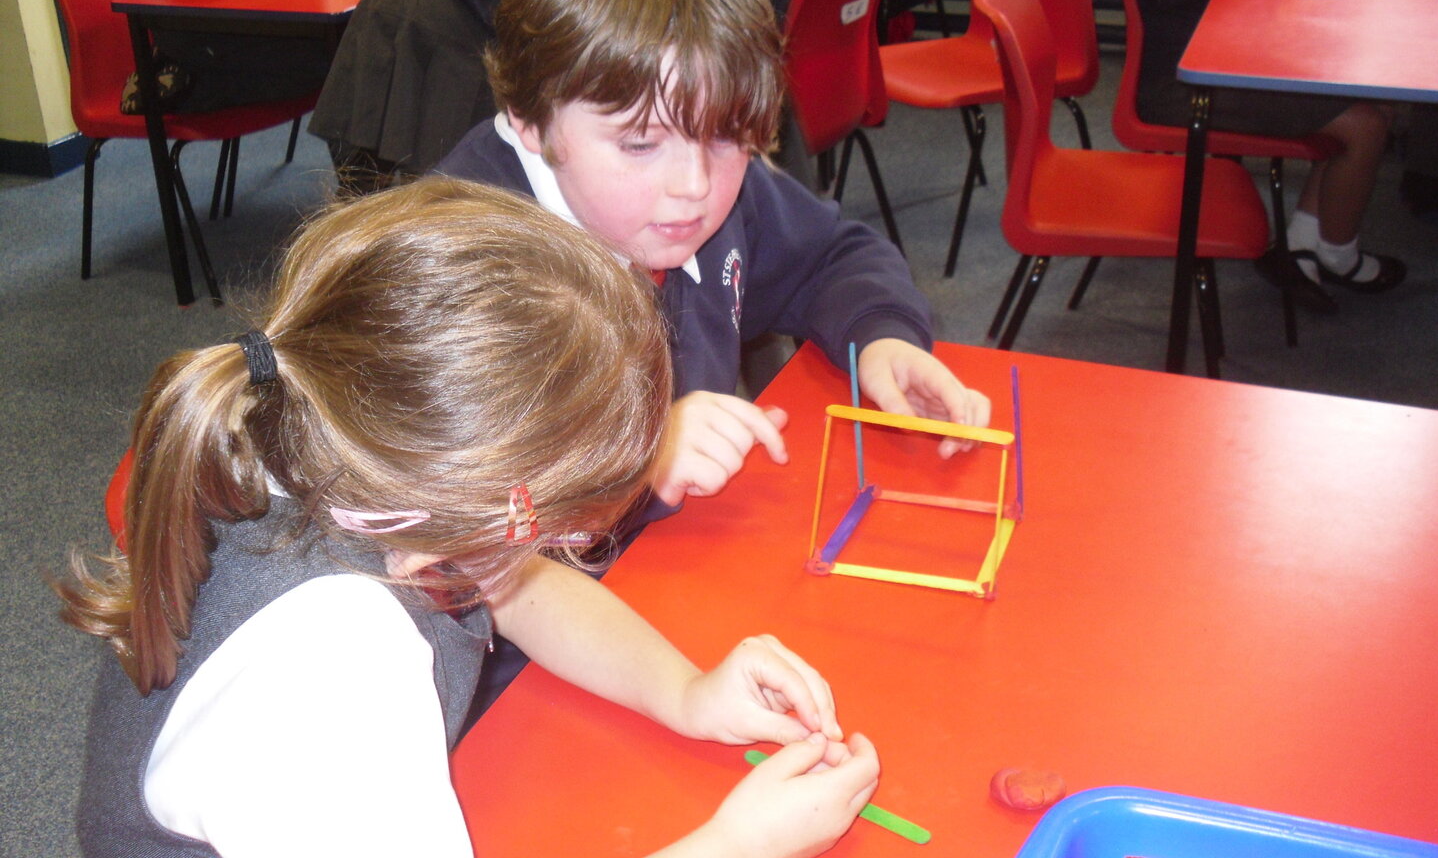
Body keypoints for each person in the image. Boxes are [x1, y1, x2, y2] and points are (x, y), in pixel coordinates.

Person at [55, 178, 880, 858]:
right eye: (559, 531)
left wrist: (687, 693)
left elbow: (517, 588)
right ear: (496, 504)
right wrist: (739, 845)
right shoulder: (332, 673)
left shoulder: (341, 445)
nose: (554, 553)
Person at [435, 0, 993, 711]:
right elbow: (459, 543)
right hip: (515, 688)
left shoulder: (689, 198)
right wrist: (635, 459)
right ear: (529, 120)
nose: (694, 187)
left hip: (690, 589)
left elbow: (834, 255)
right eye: (639, 143)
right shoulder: (459, 271)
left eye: (728, 139)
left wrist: (882, 337)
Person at [1129, 0, 1406, 311]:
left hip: (1232, 51)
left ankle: (1302, 246)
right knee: (1365, 126)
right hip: (1182, 83)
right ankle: (1338, 255)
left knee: (1377, 100)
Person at [307, 0, 508, 195]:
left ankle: (359, 218)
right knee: (436, 186)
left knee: (362, 173)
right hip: (454, 23)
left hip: (387, 2)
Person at [123, 0, 331, 115]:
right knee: (341, 58)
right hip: (198, 30)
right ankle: (189, 88)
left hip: (249, 18)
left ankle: (357, 177)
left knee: (345, 51)